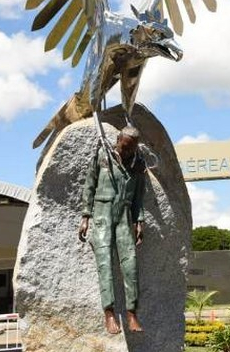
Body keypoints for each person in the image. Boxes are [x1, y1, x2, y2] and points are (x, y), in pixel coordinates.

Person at [78, 126, 146, 335]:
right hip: (102, 214)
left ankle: (132, 314)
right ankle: (109, 313)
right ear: (118, 140)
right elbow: (89, 185)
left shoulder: (138, 164)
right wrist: (85, 216)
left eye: (130, 149)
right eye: (124, 147)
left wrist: (139, 221)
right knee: (105, 264)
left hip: (124, 216)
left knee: (131, 265)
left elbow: (139, 196)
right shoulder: (102, 157)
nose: (126, 152)